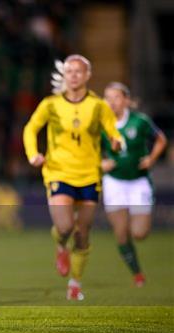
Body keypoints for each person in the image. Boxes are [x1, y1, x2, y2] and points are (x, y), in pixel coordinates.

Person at [23, 55, 123, 300]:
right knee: (66, 226)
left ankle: (75, 284)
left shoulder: (98, 106)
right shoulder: (50, 104)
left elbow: (112, 132)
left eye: (79, 71)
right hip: (59, 172)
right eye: (70, 71)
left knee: (82, 233)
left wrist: (117, 143)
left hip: (90, 175)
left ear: (88, 75)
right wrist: (33, 154)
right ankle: (59, 245)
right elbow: (31, 128)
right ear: (64, 75)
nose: (74, 75)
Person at [101, 82, 168, 287]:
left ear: (127, 100)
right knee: (121, 234)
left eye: (116, 97)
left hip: (138, 182)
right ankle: (137, 274)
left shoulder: (140, 121)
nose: (111, 102)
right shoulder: (100, 124)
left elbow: (161, 139)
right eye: (107, 97)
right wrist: (100, 163)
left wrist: (152, 159)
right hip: (114, 182)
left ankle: (135, 225)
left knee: (139, 233)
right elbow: (87, 150)